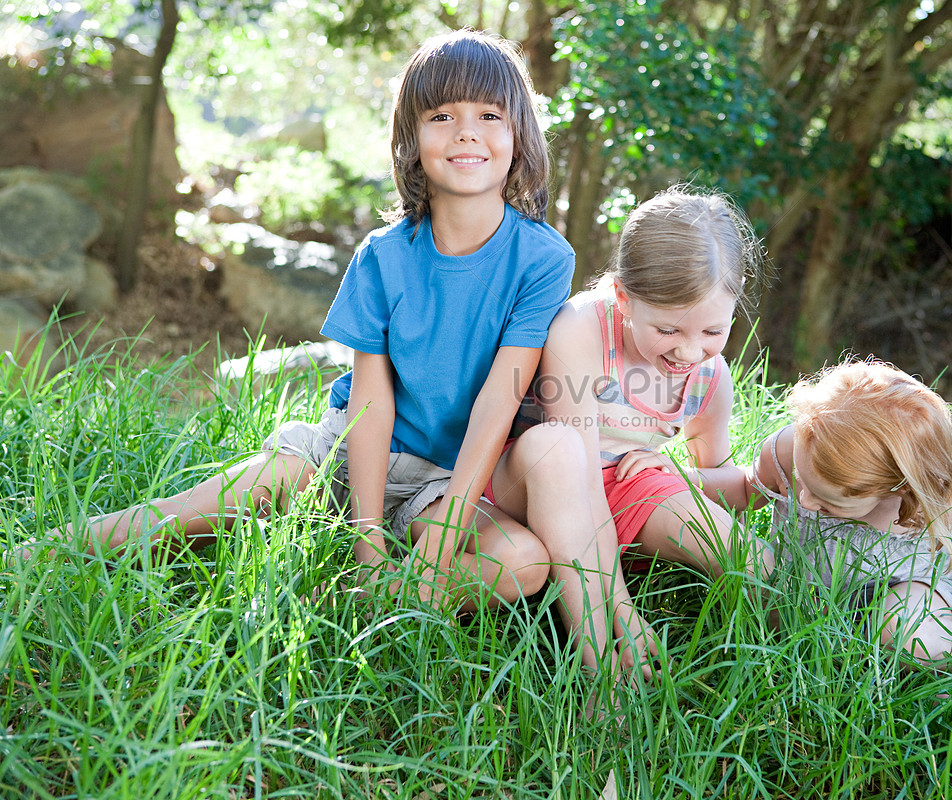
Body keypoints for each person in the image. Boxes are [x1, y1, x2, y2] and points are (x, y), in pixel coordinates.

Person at [25, 30, 574, 610]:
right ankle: (53, 548)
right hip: (350, 452)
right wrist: (365, 546)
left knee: (523, 560)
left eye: (489, 114)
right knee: (203, 507)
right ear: (411, 139)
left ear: (519, 133)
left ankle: (363, 602)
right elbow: (371, 402)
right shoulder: (383, 257)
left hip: (451, 478)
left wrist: (448, 531)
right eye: (442, 115)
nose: (467, 131)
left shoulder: (542, 259)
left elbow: (499, 399)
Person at [482, 186, 773, 674]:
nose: (688, 351)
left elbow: (721, 485)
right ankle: (596, 659)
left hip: (628, 494)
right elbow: (576, 473)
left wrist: (682, 478)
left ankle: (822, 647)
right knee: (558, 453)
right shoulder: (581, 330)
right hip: (538, 486)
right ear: (623, 297)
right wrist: (622, 607)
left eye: (712, 331)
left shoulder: (709, 377)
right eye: (668, 330)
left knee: (749, 556)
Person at [718, 358, 952, 668]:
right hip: (810, 595)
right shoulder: (792, 447)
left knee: (906, 630)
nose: (805, 501)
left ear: (897, 488)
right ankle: (831, 651)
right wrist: (675, 477)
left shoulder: (942, 499)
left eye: (828, 501)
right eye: (801, 481)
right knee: (755, 577)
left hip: (913, 595)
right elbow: (746, 489)